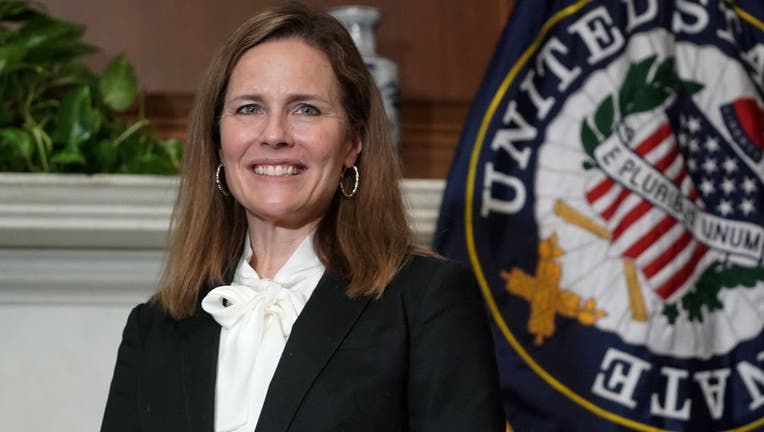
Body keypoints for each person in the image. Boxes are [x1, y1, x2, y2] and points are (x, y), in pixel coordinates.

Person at [100, 2, 504, 431]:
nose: (274, 135)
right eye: (249, 108)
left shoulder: (426, 303)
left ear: (353, 142)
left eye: (306, 109)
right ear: (219, 142)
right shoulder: (155, 328)